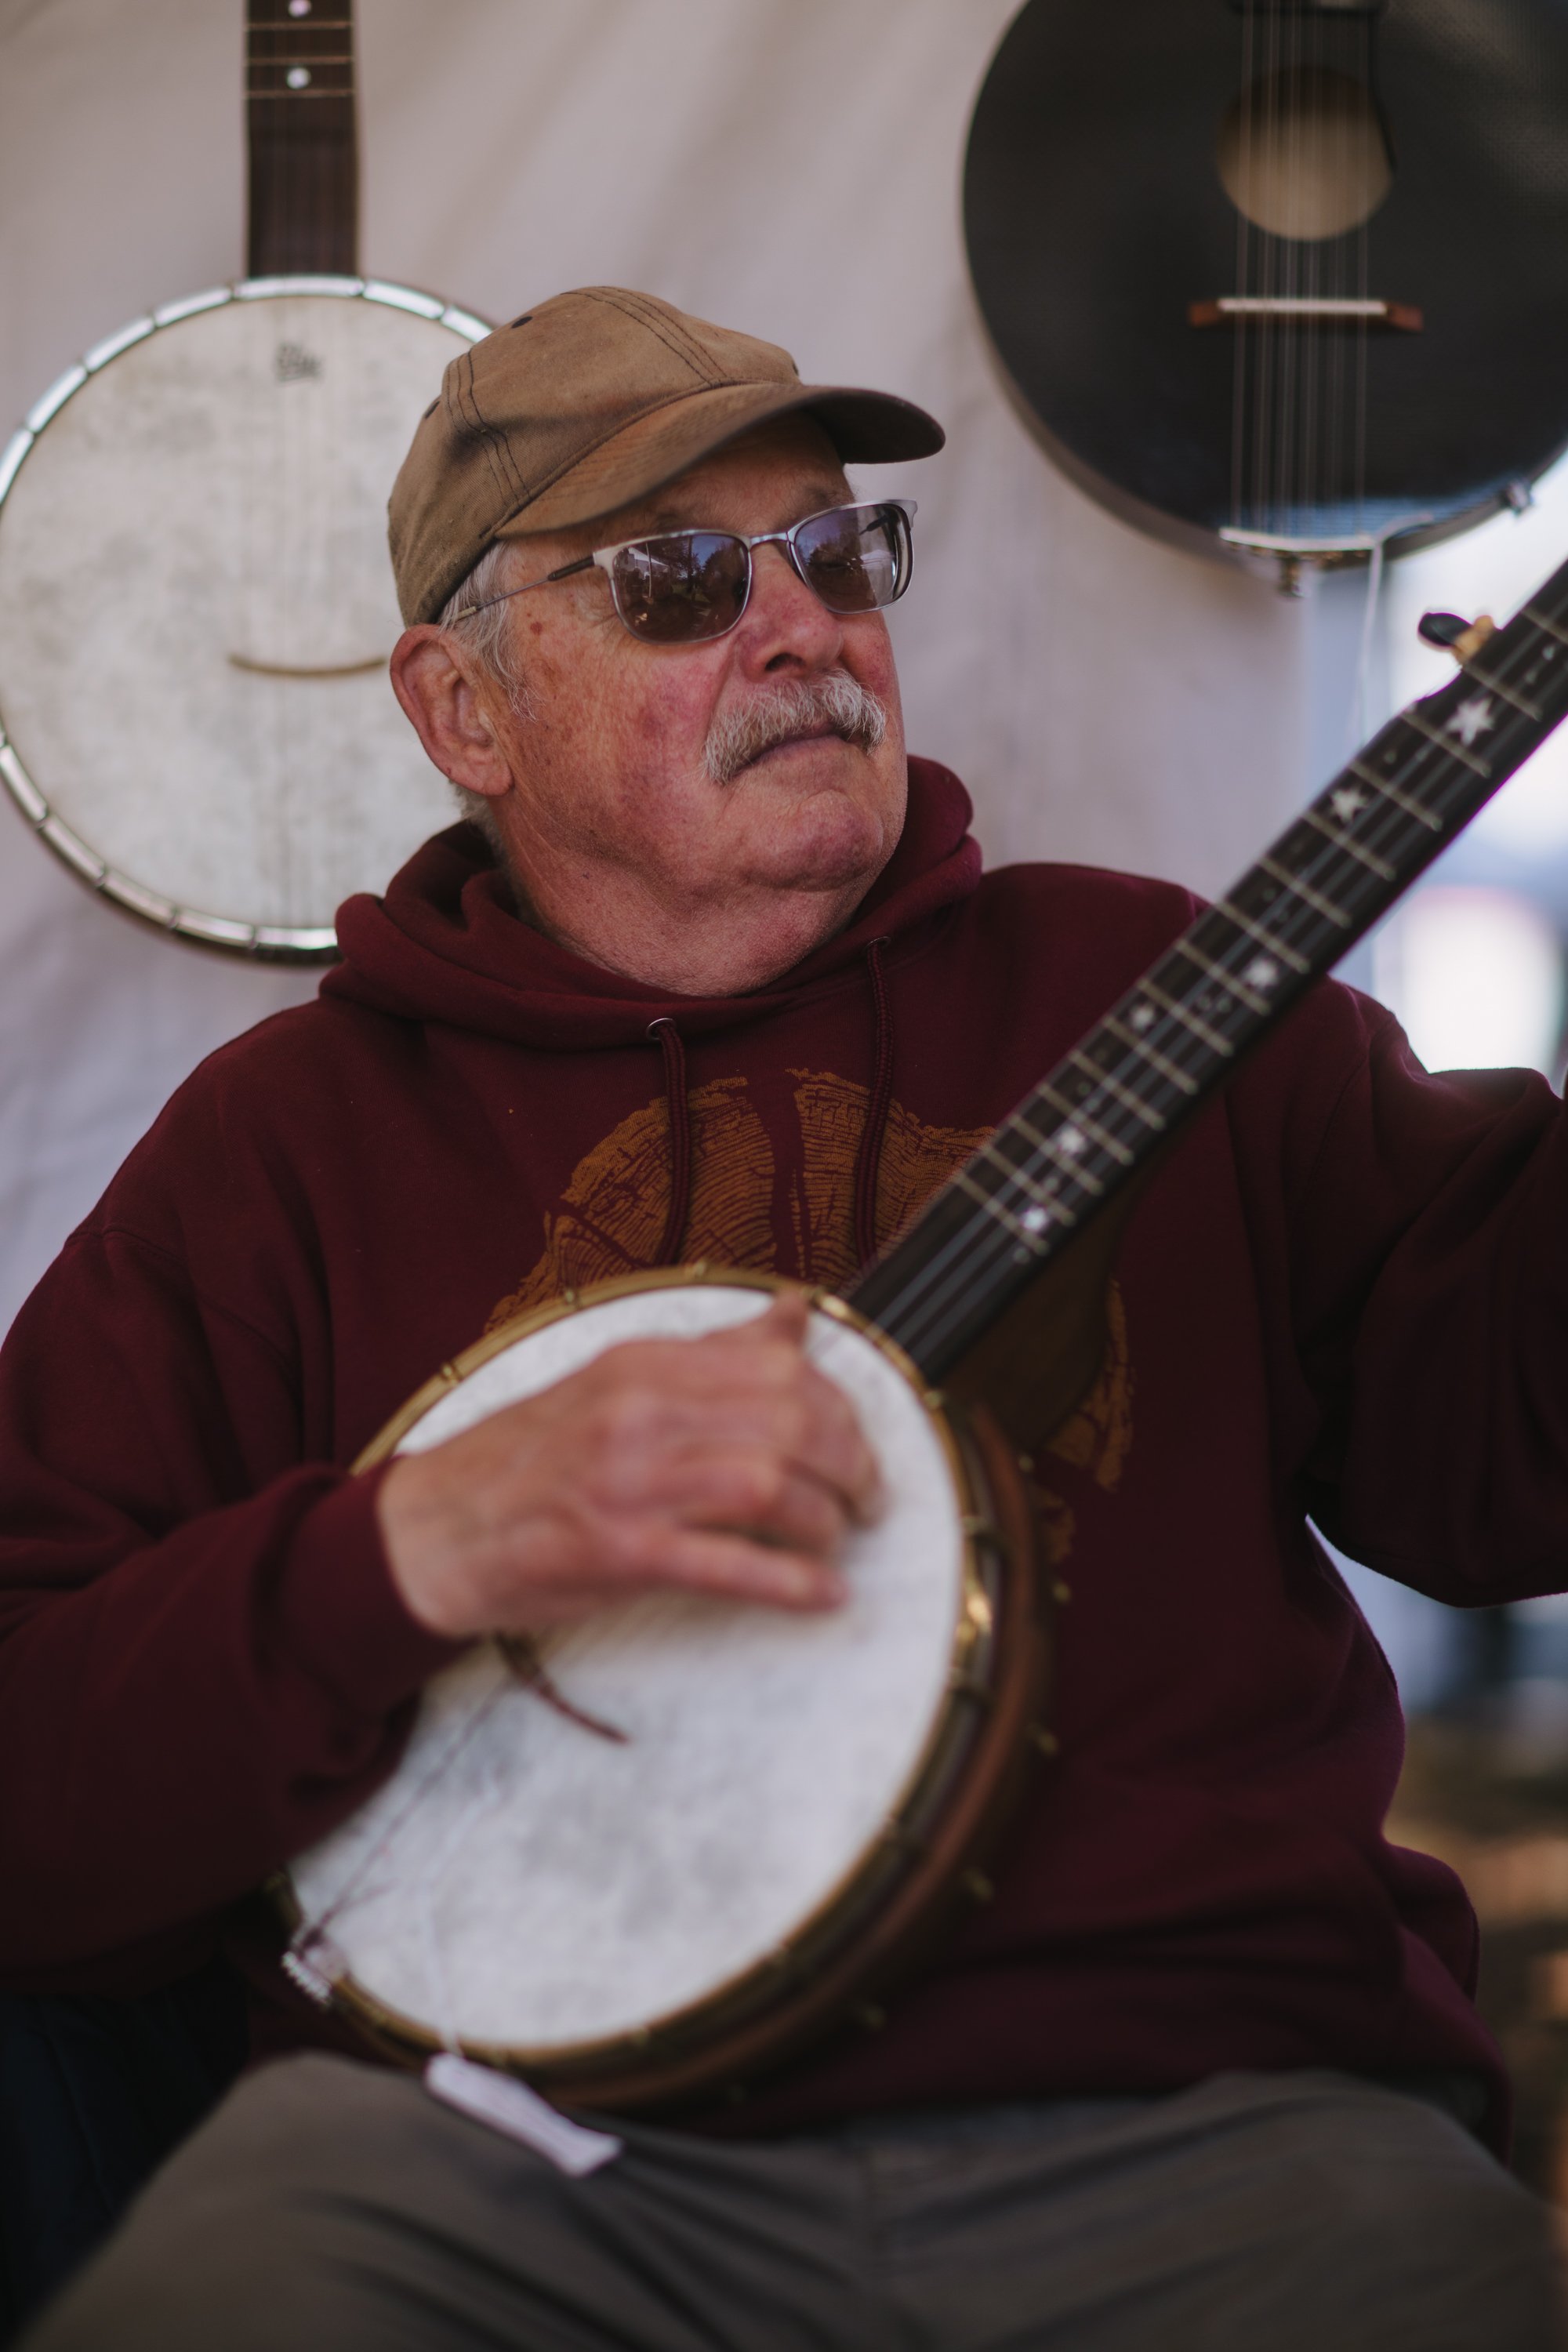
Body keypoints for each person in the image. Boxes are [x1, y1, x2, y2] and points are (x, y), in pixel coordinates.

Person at [4, 287, 1564, 2349]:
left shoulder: (1160, 992)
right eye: (676, 582)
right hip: (514, 2173)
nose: (805, 626)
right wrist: (407, 1551)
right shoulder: (282, 1150)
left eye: (839, 551)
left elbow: (1516, 1472)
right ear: (465, 712)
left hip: (1202, 2122)